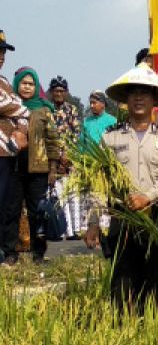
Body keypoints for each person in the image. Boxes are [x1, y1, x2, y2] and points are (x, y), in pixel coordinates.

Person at [84, 65, 158, 313]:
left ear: (153, 100)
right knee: (123, 278)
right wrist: (93, 222)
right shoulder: (111, 137)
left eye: (145, 93)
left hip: (156, 216)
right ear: (126, 101)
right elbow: (99, 181)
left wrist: (147, 197)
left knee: (154, 275)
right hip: (122, 216)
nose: (139, 98)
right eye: (133, 93)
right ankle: (122, 332)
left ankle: (150, 328)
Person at [2, 68, 63, 263]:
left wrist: (53, 168)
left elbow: (53, 140)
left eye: (31, 84)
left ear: (36, 86)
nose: (27, 87)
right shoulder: (10, 108)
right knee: (11, 211)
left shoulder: (44, 110)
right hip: (13, 167)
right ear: (16, 84)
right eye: (23, 83)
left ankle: (38, 253)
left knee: (38, 213)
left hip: (38, 169)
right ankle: (10, 252)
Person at [0, 32, 30, 266]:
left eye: (3, 52)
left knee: (9, 205)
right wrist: (19, 110)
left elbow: (20, 108)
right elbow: (11, 104)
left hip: (8, 153)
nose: (1, 56)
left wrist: (20, 126)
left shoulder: (6, 82)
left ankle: (8, 250)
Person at [48, 76, 84, 239]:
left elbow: (76, 133)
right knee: (58, 195)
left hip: (70, 159)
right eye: (56, 91)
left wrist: (67, 154)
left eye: (62, 91)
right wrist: (56, 157)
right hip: (52, 160)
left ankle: (75, 230)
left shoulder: (72, 110)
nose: (59, 94)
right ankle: (62, 230)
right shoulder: (46, 109)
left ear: (66, 92)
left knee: (73, 195)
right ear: (51, 92)